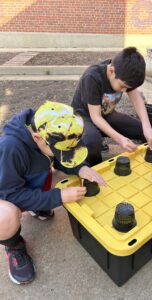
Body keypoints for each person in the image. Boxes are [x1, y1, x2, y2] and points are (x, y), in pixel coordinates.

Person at [0, 101, 106, 284]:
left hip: (23, 183)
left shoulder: (49, 128)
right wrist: (58, 196)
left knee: (54, 174)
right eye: (59, 150)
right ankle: (14, 246)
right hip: (6, 193)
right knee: (5, 217)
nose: (63, 153)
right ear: (37, 138)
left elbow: (59, 158)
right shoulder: (10, 148)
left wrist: (80, 168)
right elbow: (11, 193)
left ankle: (37, 205)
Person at [71, 46, 152, 166]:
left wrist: (147, 127)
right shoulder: (92, 77)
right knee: (92, 141)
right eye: (123, 86)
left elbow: (137, 100)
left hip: (106, 114)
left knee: (142, 130)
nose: (124, 90)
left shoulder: (125, 73)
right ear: (111, 71)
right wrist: (120, 139)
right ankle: (95, 169)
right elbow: (95, 117)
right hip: (83, 116)